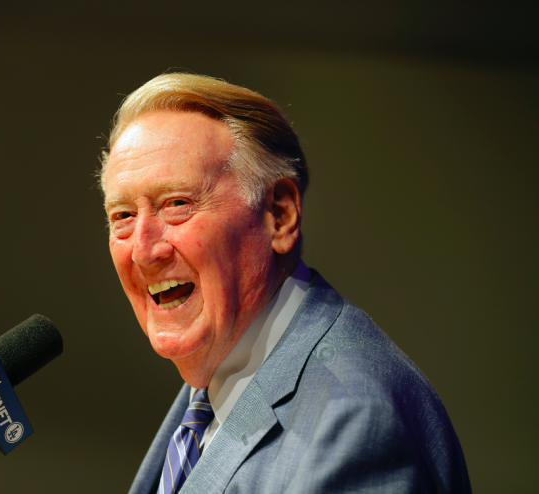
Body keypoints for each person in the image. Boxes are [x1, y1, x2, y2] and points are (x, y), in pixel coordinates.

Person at [100, 73, 471, 494]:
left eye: (177, 204)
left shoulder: (353, 424)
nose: (144, 251)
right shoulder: (214, 383)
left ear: (279, 215)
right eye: (123, 216)